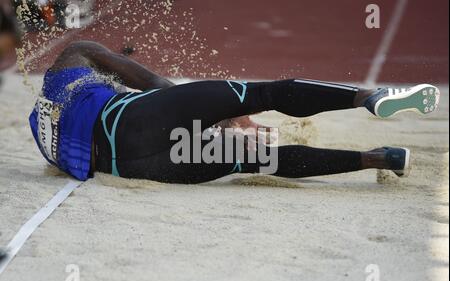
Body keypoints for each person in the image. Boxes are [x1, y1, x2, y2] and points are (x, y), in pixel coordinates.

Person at [29, 41, 440, 184]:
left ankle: (376, 159)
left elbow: (73, 158)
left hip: (127, 166)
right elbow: (151, 83)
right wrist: (222, 114)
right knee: (263, 93)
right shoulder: (71, 65)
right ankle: (367, 96)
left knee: (253, 159)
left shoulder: (52, 133)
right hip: (130, 120)